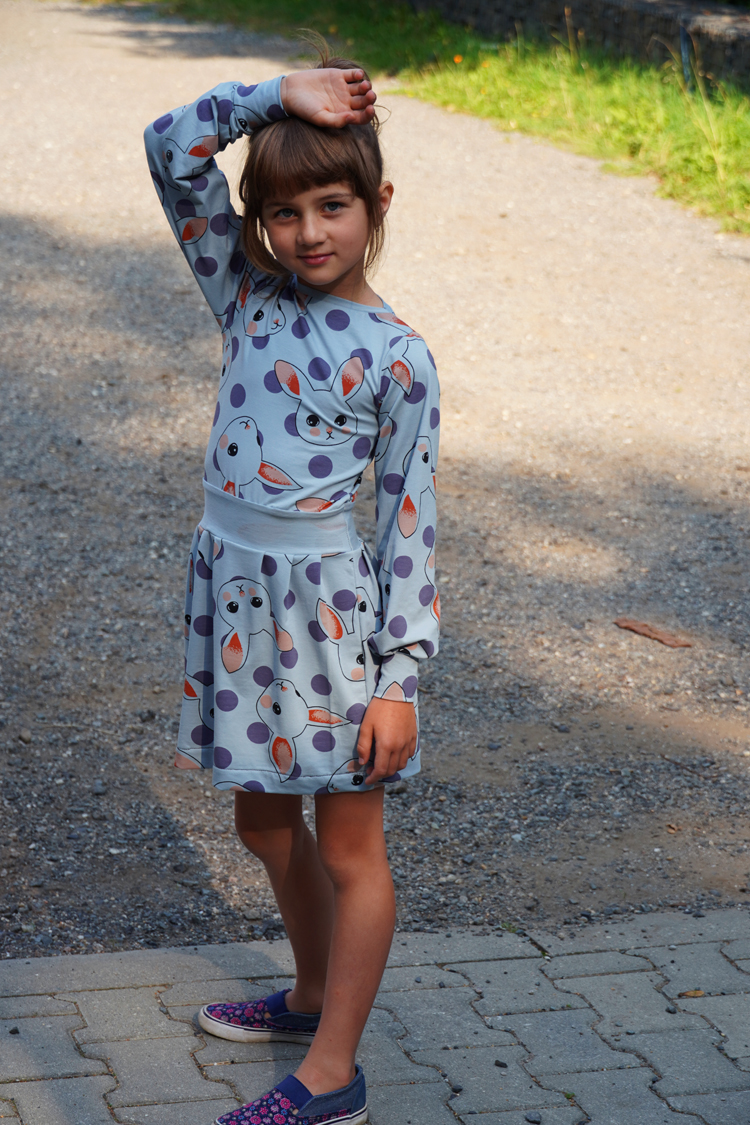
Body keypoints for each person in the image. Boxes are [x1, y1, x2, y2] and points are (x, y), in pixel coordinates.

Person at [144, 47, 440, 1125]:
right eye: (282, 212)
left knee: (351, 846)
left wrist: (399, 681)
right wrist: (273, 97)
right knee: (265, 829)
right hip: (236, 603)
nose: (308, 232)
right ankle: (310, 994)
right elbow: (169, 149)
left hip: (327, 626)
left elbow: (409, 524)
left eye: (332, 206)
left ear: (377, 204)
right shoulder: (247, 296)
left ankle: (334, 1072)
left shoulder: (399, 357)